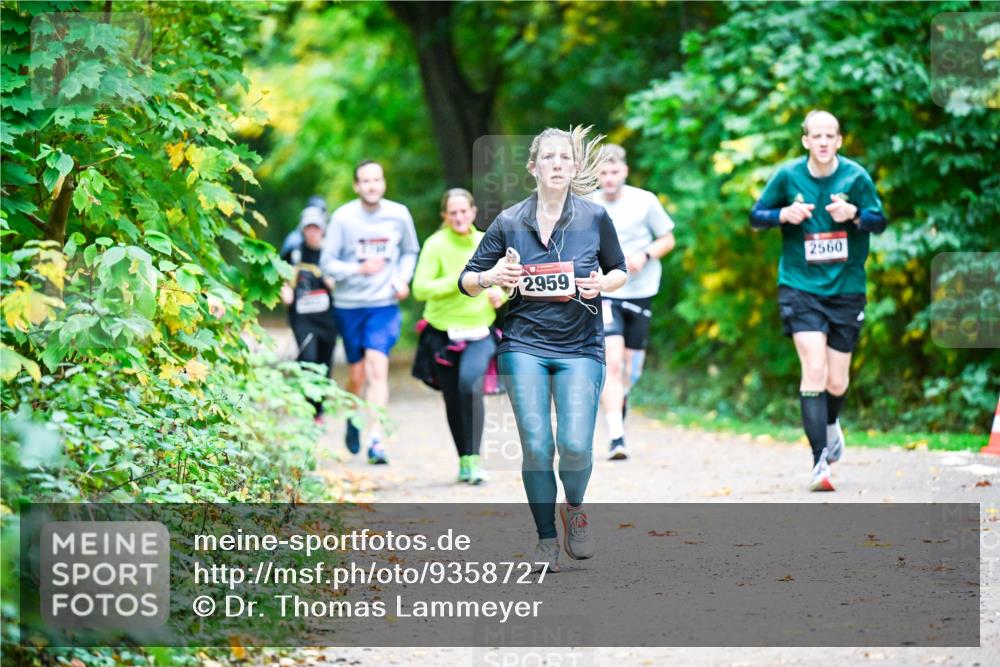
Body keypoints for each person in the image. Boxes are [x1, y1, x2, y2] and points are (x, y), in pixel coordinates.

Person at [459, 126, 628, 571]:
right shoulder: (510, 221)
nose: (557, 164)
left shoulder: (594, 217)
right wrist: (492, 277)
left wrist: (601, 283)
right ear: (533, 167)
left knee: (574, 445)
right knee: (536, 446)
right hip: (524, 345)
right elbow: (467, 280)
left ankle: (575, 507)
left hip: (580, 346)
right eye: (548, 157)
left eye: (565, 158)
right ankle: (546, 539)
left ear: (574, 168)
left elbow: (620, 271)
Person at [750, 110, 887, 492]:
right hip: (800, 286)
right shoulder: (788, 175)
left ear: (839, 141)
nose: (824, 142)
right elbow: (756, 216)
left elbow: (880, 220)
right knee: (813, 369)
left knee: (837, 380)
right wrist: (783, 214)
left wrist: (855, 214)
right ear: (805, 140)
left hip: (846, 288)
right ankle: (819, 463)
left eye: (831, 135)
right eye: (816, 135)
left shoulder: (855, 177)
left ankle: (830, 424)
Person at [320, 160, 420, 464]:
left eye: (376, 179)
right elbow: (327, 264)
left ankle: (376, 439)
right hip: (349, 306)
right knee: (357, 375)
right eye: (365, 181)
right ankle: (353, 416)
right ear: (356, 186)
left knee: (378, 367)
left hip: (383, 304)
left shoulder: (398, 214)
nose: (371, 185)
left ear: (383, 183)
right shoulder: (343, 218)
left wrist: (403, 277)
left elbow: (410, 251)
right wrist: (357, 269)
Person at [411, 188, 506, 485]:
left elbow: (505, 281)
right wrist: (462, 281)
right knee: (452, 398)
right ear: (445, 216)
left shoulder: (485, 242)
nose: (459, 217)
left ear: (473, 212)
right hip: (443, 333)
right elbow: (421, 289)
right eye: (452, 213)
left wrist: (500, 293)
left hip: (480, 330)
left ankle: (475, 460)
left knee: (469, 384)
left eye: (464, 211)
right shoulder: (435, 245)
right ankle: (464, 460)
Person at [590, 144, 676, 460]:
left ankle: (618, 403)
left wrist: (645, 254)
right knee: (611, 363)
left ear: (624, 171)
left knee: (631, 369)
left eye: (614, 172)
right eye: (603, 173)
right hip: (605, 292)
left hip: (641, 289)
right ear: (595, 175)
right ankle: (616, 436)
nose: (609, 179)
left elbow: (668, 238)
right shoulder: (587, 205)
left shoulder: (645, 201)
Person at [280, 206, 338, 422]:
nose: (313, 232)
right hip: (302, 318)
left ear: (323, 230)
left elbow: (342, 278)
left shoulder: (330, 253)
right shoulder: (294, 252)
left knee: (324, 363)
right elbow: (281, 275)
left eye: (317, 228)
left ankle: (319, 406)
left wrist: (334, 282)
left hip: (328, 318)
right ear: (303, 230)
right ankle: (309, 408)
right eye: (309, 228)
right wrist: (285, 289)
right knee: (308, 358)